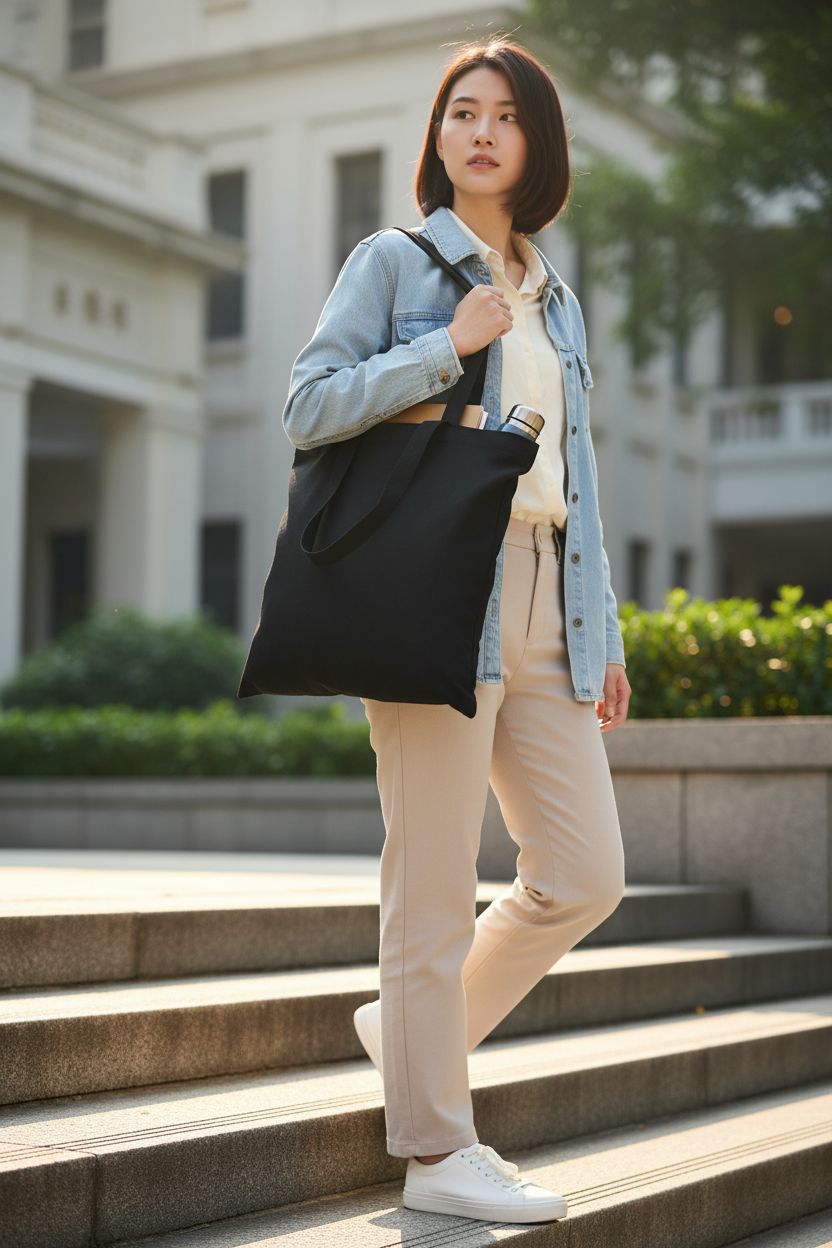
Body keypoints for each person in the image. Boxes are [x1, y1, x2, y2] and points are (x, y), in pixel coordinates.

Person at [282, 35, 631, 1226]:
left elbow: (577, 475)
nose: (481, 132)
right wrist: (447, 345)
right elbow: (310, 404)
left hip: (547, 597)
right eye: (462, 112)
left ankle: (405, 1033)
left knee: (582, 875)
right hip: (435, 589)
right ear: (438, 137)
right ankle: (437, 1151)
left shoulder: (554, 293)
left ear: (538, 144)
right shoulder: (394, 260)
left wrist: (601, 629)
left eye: (506, 116)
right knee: (430, 888)